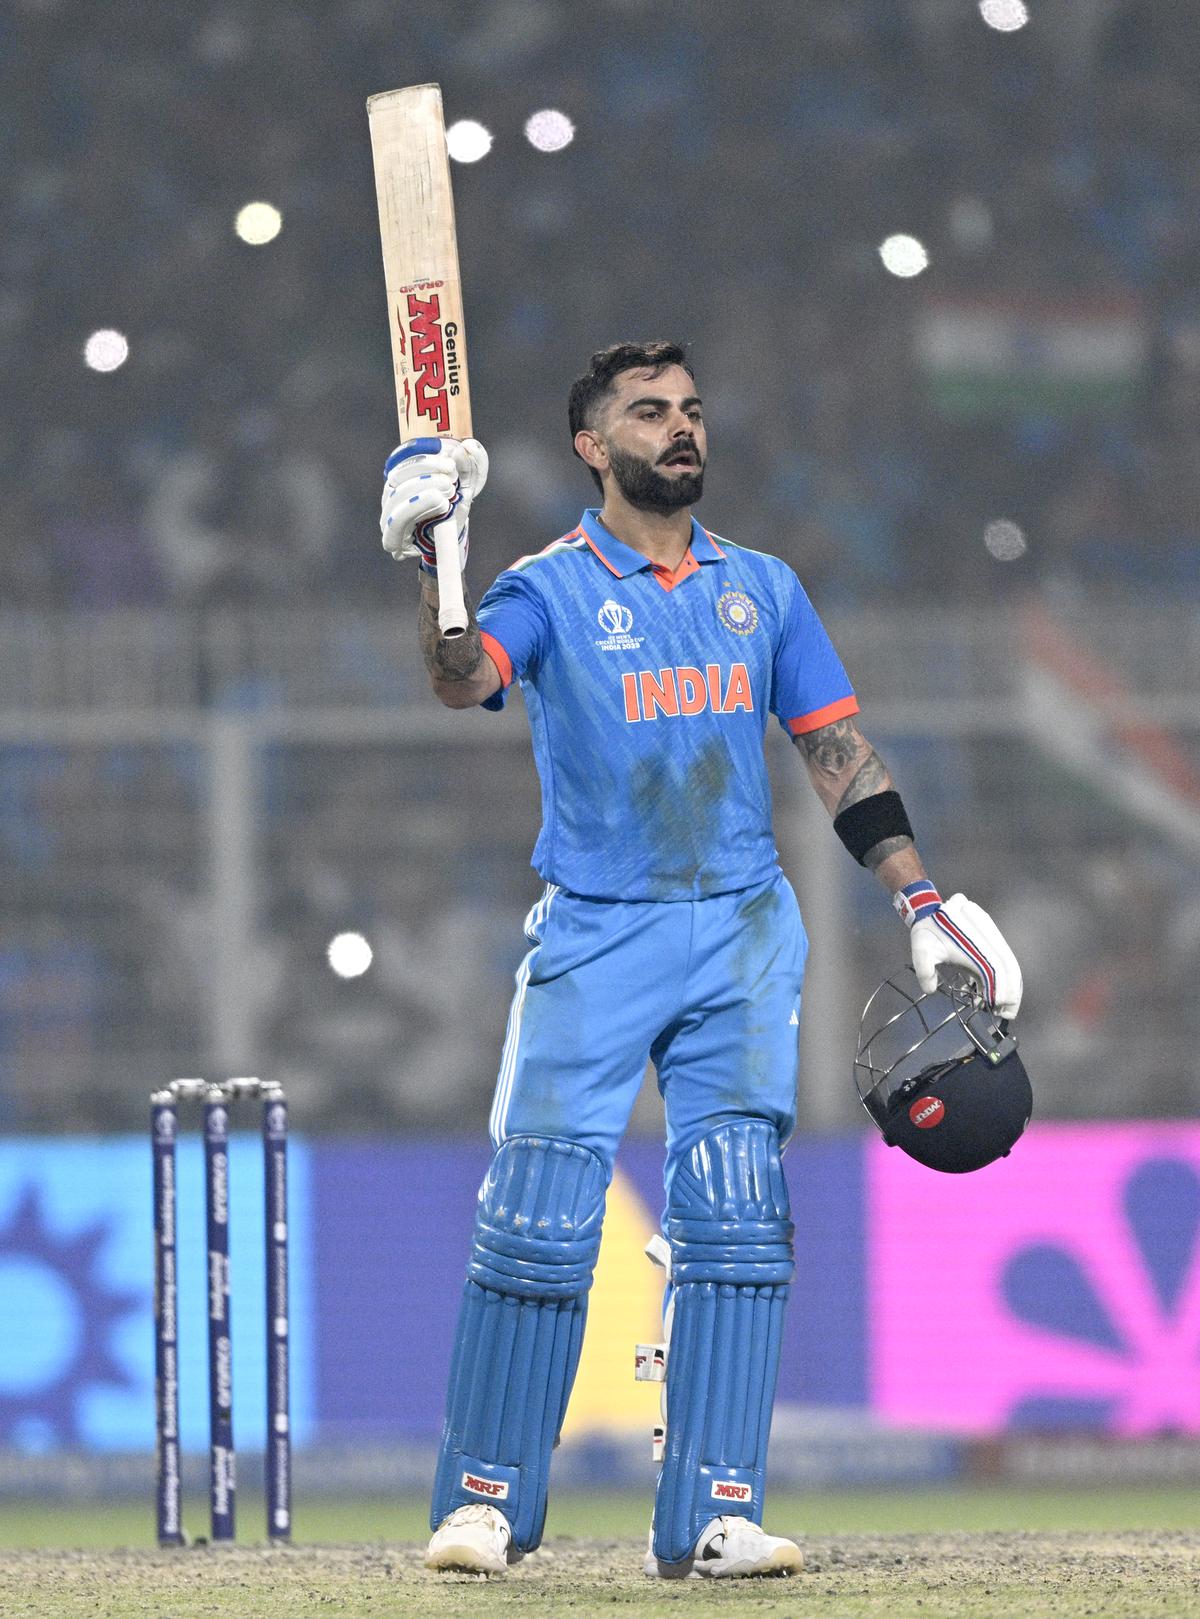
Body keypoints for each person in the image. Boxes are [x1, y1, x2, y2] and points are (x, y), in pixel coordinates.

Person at [379, 341, 1022, 1579]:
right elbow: (462, 678)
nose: (680, 429)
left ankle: (714, 1512)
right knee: (537, 1218)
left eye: (690, 410)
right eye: (648, 412)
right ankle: (483, 1502)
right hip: (599, 925)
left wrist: (920, 896)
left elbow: (839, 750)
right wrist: (436, 563)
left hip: (740, 925)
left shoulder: (764, 588)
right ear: (590, 443)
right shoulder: (549, 585)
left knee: (736, 1219)